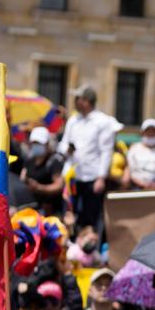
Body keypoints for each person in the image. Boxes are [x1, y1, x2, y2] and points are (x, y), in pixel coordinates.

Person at [58, 85, 119, 234]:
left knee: (90, 217)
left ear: (87, 101)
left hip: (92, 177)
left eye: (78, 99)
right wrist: (67, 149)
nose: (75, 101)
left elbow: (106, 151)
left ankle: (87, 251)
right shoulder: (73, 120)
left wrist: (101, 178)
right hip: (73, 176)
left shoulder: (102, 121)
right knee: (69, 215)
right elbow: (63, 144)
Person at [22, 127, 65, 217]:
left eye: (39, 144)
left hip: (51, 211)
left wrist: (39, 187)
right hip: (32, 209)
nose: (36, 146)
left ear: (47, 144)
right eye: (34, 143)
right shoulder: (29, 161)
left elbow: (58, 185)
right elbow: (23, 176)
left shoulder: (54, 161)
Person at [123, 119, 155, 190]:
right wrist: (142, 184)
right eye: (148, 131)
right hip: (136, 189)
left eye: (153, 131)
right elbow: (130, 171)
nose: (150, 133)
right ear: (142, 133)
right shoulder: (134, 148)